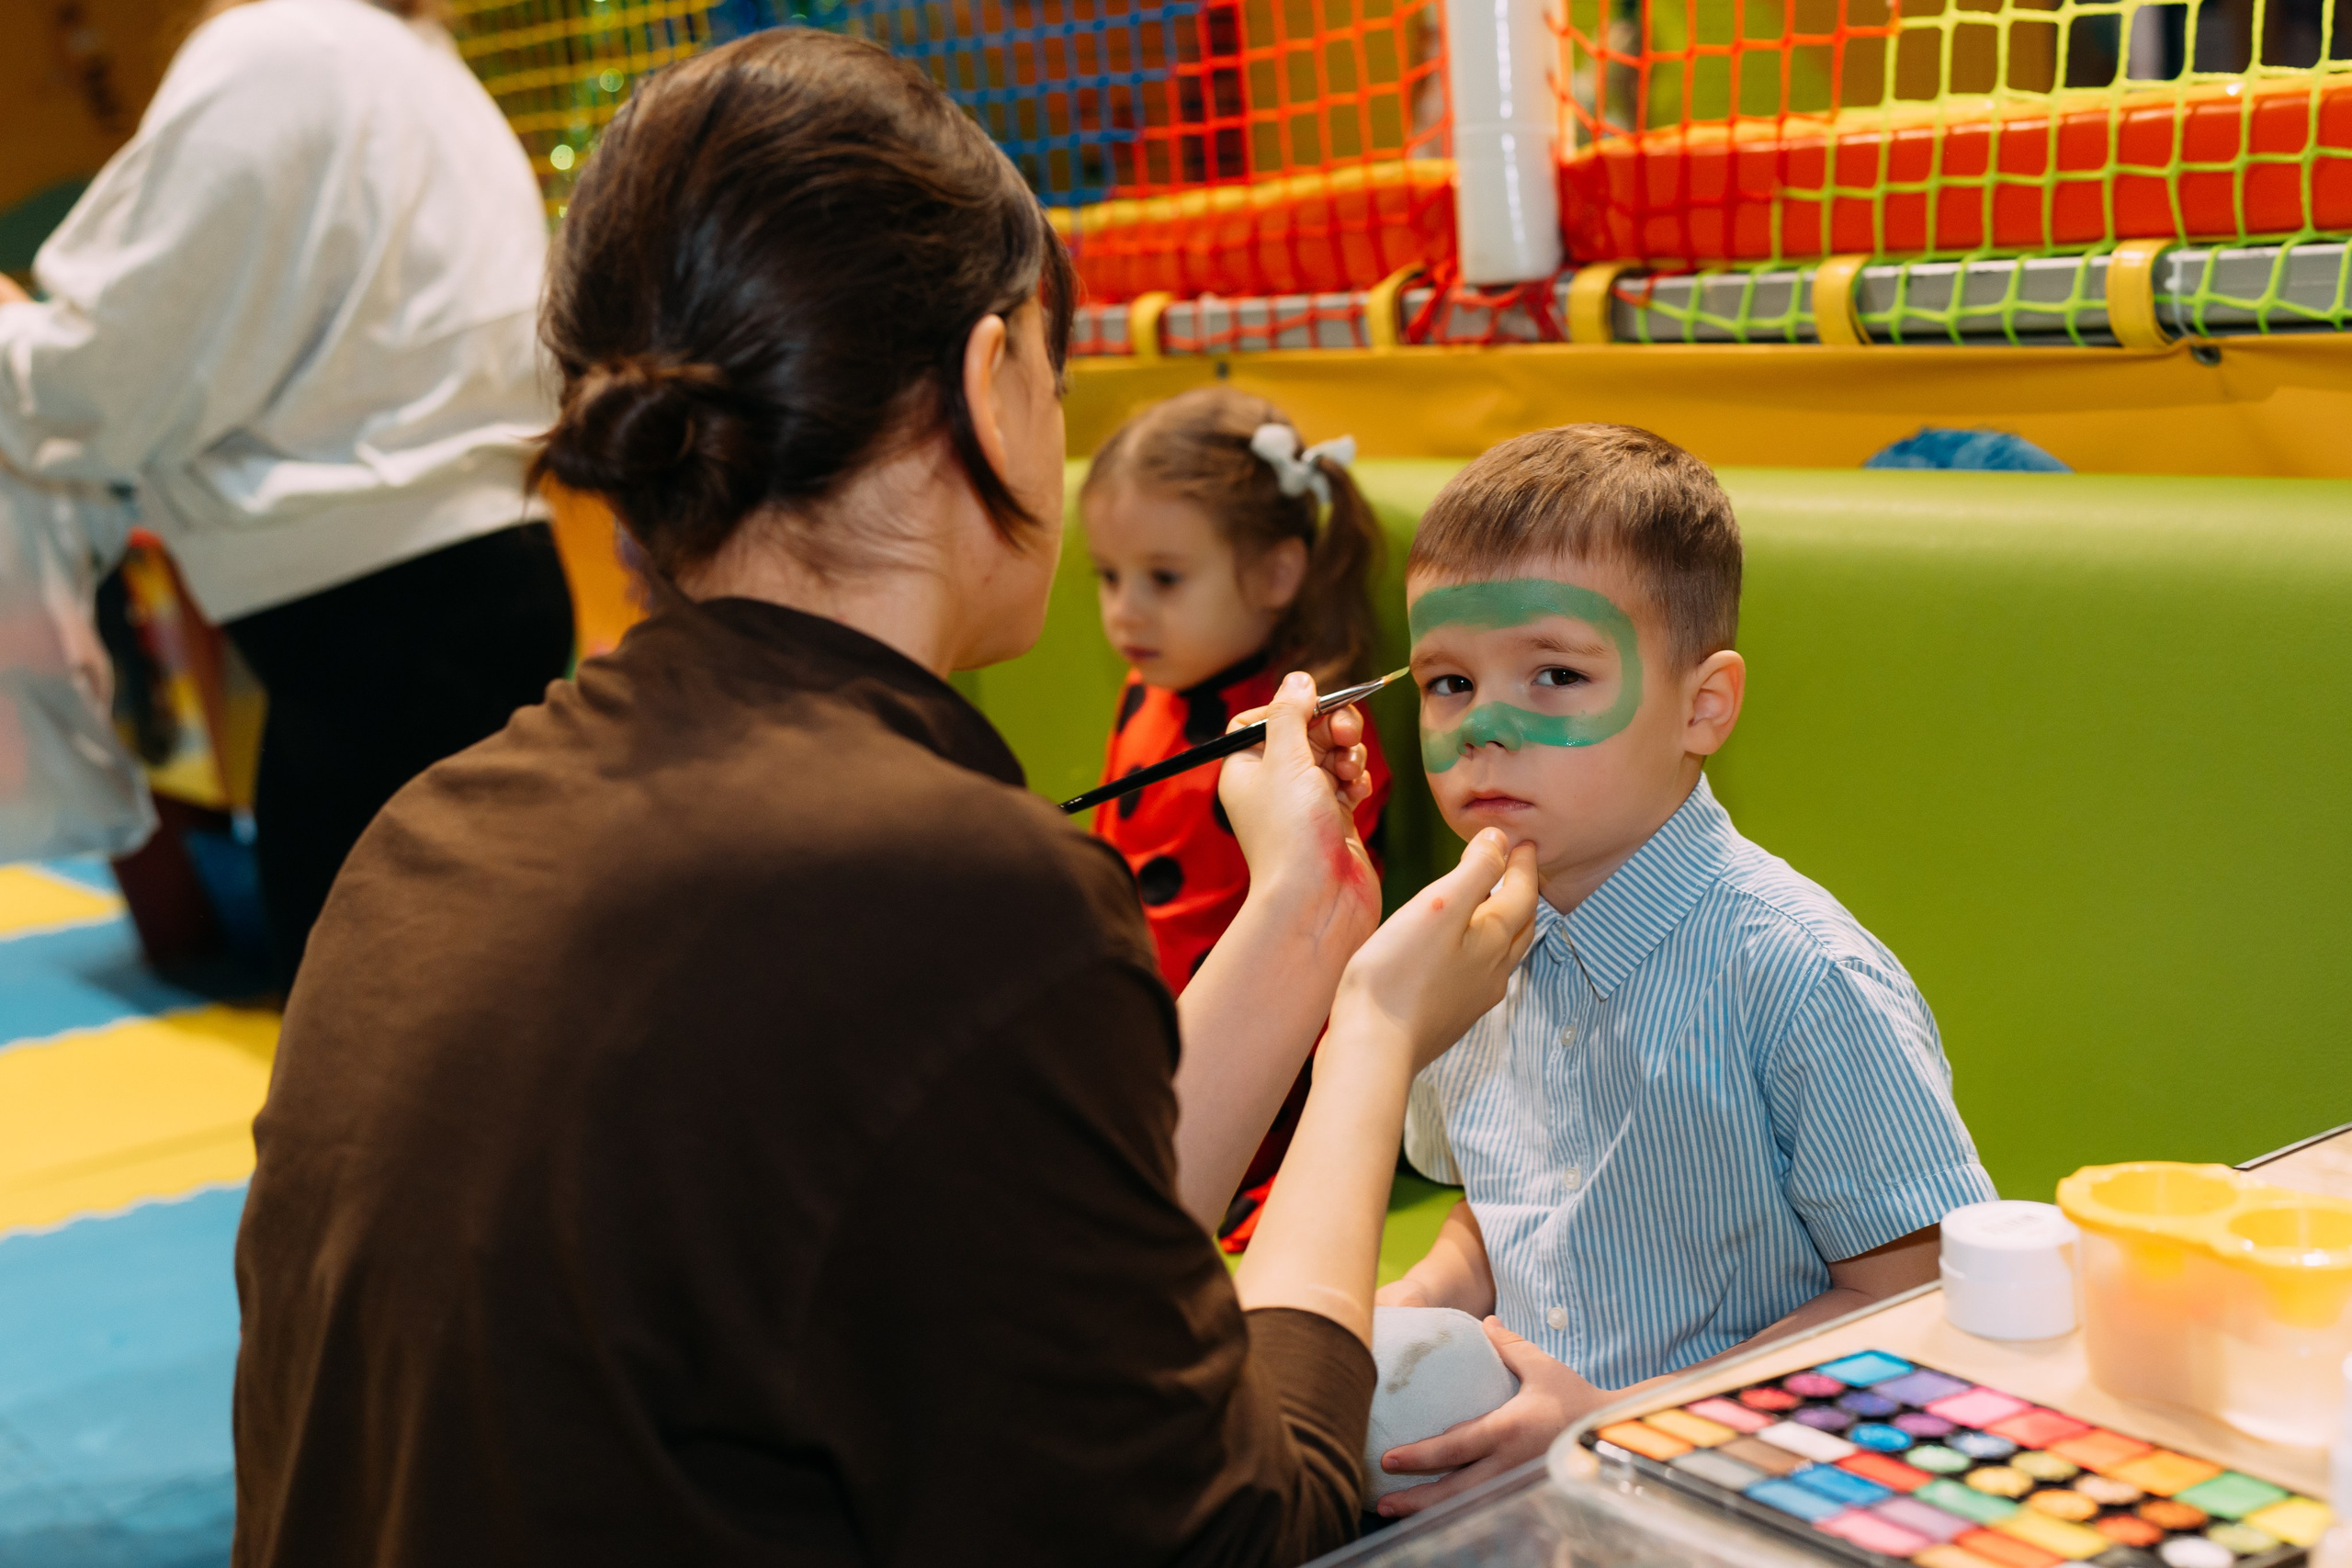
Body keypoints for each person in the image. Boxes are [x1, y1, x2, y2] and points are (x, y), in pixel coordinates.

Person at [230, 29, 1540, 1567]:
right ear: (995, 381)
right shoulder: (945, 881)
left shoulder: (438, 823)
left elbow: (996, 1233)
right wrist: (1377, 1035)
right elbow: (1238, 1523)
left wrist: (1302, 928)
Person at [1371, 425, 1997, 1516]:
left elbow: (1920, 1294)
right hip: (1540, 1495)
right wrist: (1398, 1311)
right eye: (1449, 683)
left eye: (1556, 674)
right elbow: (1504, 1202)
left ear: (1703, 707)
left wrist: (1625, 1421)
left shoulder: (1798, 975)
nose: (1486, 727)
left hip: (1754, 1494)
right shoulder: (1467, 954)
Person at [0, 0, 572, 988]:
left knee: (364, 1037)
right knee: (474, 1009)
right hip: (482, 568)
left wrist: (11, 335)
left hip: (379, 611)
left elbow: (111, 374)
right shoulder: (415, 60)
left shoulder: (281, 50)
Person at [1083, 387, 1393, 1249]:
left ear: (1276, 574)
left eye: (1163, 578)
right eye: (1108, 577)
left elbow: (1327, 957)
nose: (1124, 610)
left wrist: (1306, 1155)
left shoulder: (1308, 738)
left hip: (1237, 1091)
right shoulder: (1147, 690)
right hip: (1127, 1038)